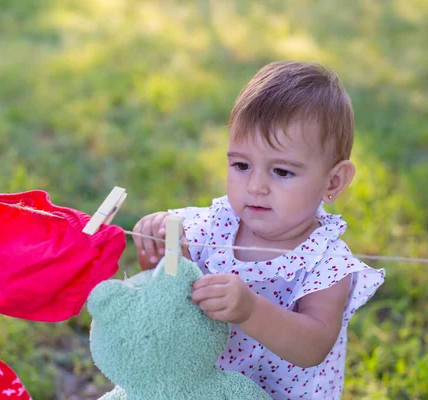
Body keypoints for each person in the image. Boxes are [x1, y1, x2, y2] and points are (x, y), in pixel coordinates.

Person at [133, 61, 385, 399]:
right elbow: (173, 295)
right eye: (241, 165)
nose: (255, 186)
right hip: (205, 389)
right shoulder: (215, 225)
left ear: (334, 181)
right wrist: (163, 252)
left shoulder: (327, 262)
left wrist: (251, 310)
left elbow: (313, 347)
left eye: (281, 172)